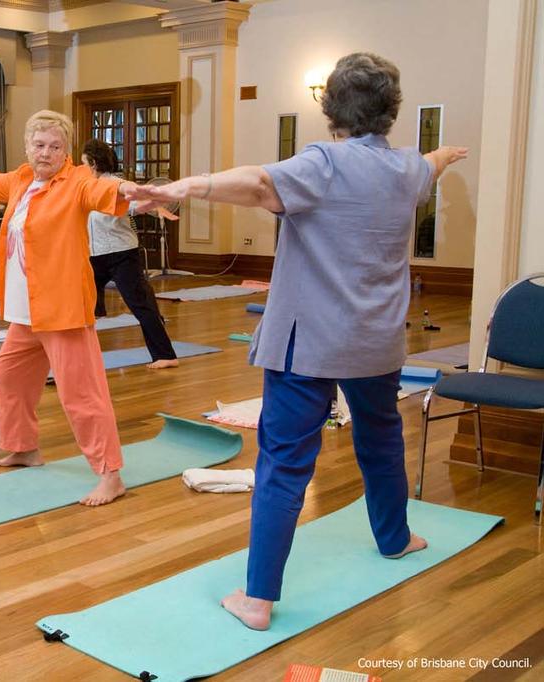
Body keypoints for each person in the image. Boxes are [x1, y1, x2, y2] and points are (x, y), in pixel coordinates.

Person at [127, 52, 468, 630]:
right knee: (382, 443)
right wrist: (444, 155)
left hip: (307, 343)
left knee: (285, 465)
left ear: (329, 106)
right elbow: (428, 165)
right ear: (390, 111)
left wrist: (183, 186)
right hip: (376, 344)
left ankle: (257, 600)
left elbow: (259, 183)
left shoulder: (323, 163)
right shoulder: (408, 170)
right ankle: (396, 538)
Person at [0, 110, 160, 506]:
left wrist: (136, 193)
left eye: (55, 146)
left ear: (66, 151)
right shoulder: (21, 179)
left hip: (61, 309)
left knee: (81, 394)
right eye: (39, 145)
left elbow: (104, 191)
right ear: (27, 147)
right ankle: (23, 448)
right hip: (25, 310)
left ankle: (110, 474)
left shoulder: (77, 180)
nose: (46, 153)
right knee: (10, 377)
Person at [82, 138, 179, 369]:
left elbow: (135, 203)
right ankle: (80, 356)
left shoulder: (117, 184)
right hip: (93, 255)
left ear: (93, 163)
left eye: (84, 162)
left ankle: (166, 355)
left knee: (140, 304)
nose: (81, 166)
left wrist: (153, 204)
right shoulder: (85, 186)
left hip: (121, 253)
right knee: (82, 306)